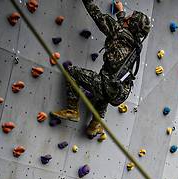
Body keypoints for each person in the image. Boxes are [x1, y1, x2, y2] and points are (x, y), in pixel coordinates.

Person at [52, 0, 150, 137]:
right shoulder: (136, 44)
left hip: (107, 86)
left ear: (131, 23)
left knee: (72, 73)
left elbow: (97, 15)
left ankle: (72, 110)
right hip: (121, 91)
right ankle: (94, 126)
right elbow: (123, 29)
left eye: (130, 17)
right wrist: (120, 12)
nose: (127, 16)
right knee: (104, 94)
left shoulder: (118, 31)